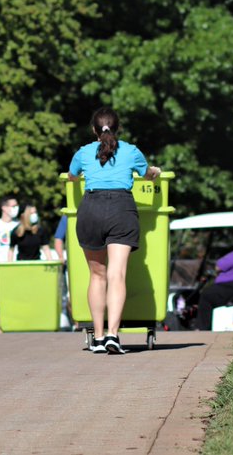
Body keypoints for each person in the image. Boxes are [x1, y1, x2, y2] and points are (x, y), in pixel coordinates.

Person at [68, 107, 160, 354]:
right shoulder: (131, 151)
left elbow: (71, 176)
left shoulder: (83, 152)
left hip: (90, 209)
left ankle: (98, 339)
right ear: (118, 128)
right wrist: (156, 172)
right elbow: (148, 174)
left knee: (97, 276)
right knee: (116, 275)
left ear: (94, 130)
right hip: (122, 209)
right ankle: (112, 335)